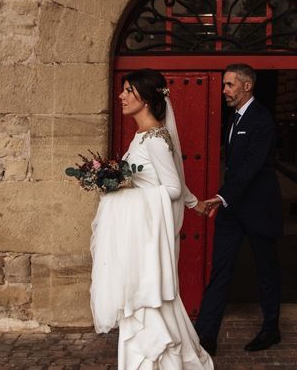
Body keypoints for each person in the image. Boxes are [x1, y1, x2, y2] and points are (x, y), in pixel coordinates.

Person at [90, 69, 214, 370]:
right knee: (140, 294)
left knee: (145, 294)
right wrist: (195, 202)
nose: (121, 95)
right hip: (140, 232)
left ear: (145, 98)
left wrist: (124, 196)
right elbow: (170, 182)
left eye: (128, 90)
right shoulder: (144, 135)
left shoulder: (156, 139)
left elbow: (170, 187)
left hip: (146, 235)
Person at [194, 63, 283, 354]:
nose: (224, 91)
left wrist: (221, 197)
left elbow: (251, 167)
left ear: (247, 86)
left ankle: (271, 329)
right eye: (224, 85)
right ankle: (206, 336)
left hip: (259, 209)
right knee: (220, 269)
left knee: (266, 271)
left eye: (229, 85)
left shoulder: (262, 119)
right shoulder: (233, 118)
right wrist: (226, 200)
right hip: (233, 210)